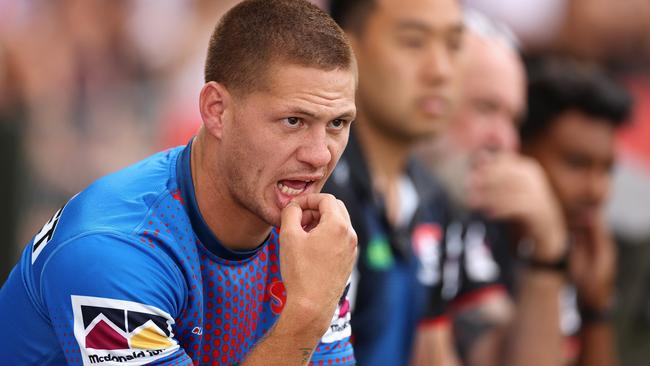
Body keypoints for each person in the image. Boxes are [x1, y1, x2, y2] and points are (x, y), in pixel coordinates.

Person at [0, 1, 359, 365]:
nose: (320, 156)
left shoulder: (315, 242)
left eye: (337, 124)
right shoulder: (113, 249)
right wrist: (307, 312)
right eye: (293, 121)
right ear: (216, 110)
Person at [415, 13, 570, 366]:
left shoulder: (462, 214)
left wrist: (548, 247)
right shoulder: (345, 190)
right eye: (486, 108)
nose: (505, 141)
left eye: (514, 120)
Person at [326, 0, 464, 364]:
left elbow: (433, 350)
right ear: (346, 47)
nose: (441, 71)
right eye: (414, 42)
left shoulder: (433, 198)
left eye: (453, 44)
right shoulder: (312, 189)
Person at [521, 56, 632, 366]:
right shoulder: (476, 240)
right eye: (576, 164)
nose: (597, 190)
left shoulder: (586, 256)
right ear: (521, 148)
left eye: (607, 170)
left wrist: (597, 305)